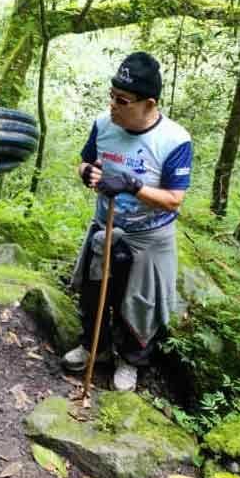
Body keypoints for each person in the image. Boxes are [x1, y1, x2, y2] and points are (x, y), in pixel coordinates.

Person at [62, 52, 192, 392]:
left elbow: (174, 199)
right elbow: (84, 162)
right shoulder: (103, 125)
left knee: (139, 302)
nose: (113, 106)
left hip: (149, 236)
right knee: (94, 293)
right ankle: (95, 347)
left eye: (122, 100)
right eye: (111, 96)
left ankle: (131, 361)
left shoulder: (174, 140)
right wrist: (87, 173)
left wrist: (132, 186)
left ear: (149, 104)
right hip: (105, 226)